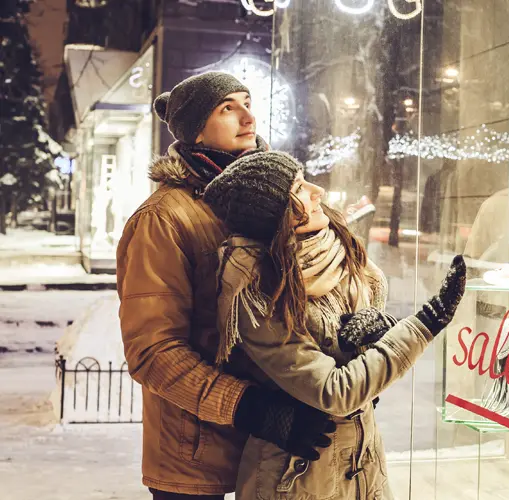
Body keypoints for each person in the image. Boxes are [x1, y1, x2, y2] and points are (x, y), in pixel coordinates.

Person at [117, 72, 335, 500]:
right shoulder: (163, 219)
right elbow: (152, 352)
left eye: (247, 102)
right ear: (196, 128)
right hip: (196, 458)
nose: (247, 116)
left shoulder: (275, 195)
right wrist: (250, 408)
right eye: (227, 108)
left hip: (273, 452)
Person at [202, 150, 467, 499]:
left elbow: (365, 373)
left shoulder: (339, 253)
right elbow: (335, 391)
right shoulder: (256, 288)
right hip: (297, 476)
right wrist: (423, 325)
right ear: (277, 216)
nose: (318, 191)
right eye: (299, 187)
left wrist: (379, 330)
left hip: (362, 461)